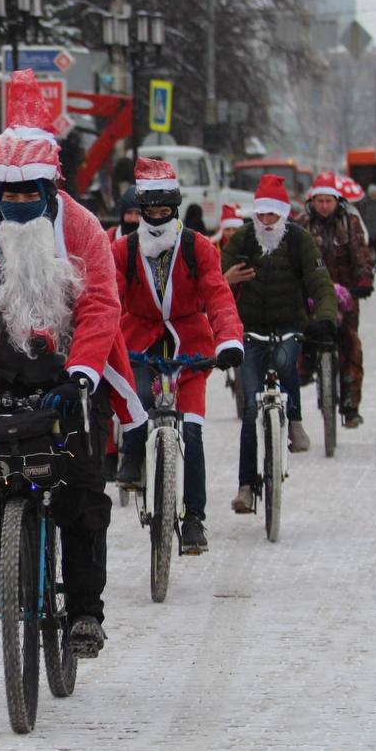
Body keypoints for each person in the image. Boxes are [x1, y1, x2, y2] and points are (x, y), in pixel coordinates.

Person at [0, 69, 147, 657]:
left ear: (52, 186)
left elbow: (101, 305)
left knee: (83, 495)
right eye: (11, 195)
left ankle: (84, 613)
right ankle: (9, 559)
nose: (22, 204)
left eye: (33, 192)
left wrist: (81, 375)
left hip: (69, 373)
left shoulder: (81, 227)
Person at [112, 158, 244, 554]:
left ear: (174, 207)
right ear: (140, 209)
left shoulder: (197, 247)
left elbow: (218, 295)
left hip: (191, 345)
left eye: (164, 208)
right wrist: (100, 341)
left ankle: (195, 520)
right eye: (149, 209)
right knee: (135, 401)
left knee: (193, 432)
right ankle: (131, 458)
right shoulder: (122, 250)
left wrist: (228, 340)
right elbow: (108, 300)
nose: (156, 216)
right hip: (139, 341)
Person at [221, 174, 337, 513]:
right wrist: (227, 279)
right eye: (261, 214)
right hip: (250, 329)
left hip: (289, 325)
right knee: (250, 409)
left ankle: (295, 420)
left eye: (273, 214)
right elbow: (212, 281)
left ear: (284, 214)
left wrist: (325, 318)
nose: (267, 221)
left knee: (287, 362)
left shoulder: (299, 240)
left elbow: (320, 282)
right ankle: (246, 486)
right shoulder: (243, 239)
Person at [305, 172, 373, 428]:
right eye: (320, 201)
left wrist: (364, 280)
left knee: (350, 343)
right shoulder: (302, 224)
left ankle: (350, 405)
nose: (324, 206)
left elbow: (361, 254)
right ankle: (305, 368)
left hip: (346, 294)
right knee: (302, 335)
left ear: (337, 201)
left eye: (329, 201)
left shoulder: (350, 222)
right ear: (312, 201)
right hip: (312, 295)